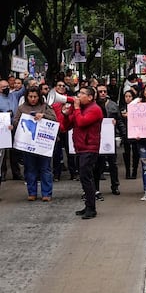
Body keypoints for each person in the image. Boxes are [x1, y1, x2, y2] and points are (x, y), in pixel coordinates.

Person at [61, 86, 103, 219]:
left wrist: (77, 108)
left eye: (82, 94)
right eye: (79, 93)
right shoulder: (81, 109)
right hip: (80, 147)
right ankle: (88, 206)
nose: (78, 96)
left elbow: (82, 122)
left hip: (89, 148)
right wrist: (66, 114)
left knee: (87, 178)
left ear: (90, 97)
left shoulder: (95, 109)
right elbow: (66, 126)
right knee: (84, 178)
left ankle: (92, 208)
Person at [13, 86, 57, 201]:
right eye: (30, 96)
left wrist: (43, 116)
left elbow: (54, 119)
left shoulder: (45, 106)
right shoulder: (22, 108)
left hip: (43, 145)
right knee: (30, 168)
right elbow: (16, 122)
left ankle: (46, 194)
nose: (33, 99)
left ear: (39, 97)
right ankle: (32, 192)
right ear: (27, 97)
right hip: (28, 145)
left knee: (45, 169)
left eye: (35, 97)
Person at [96, 83, 126, 195]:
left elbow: (119, 121)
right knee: (98, 164)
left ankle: (115, 185)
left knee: (113, 163)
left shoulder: (113, 105)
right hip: (97, 138)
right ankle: (96, 188)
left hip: (110, 138)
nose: (103, 93)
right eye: (100, 91)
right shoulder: (93, 105)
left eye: (104, 91)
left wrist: (124, 134)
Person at [119, 90, 139, 179]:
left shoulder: (137, 108)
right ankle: (127, 171)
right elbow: (119, 120)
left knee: (136, 152)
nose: (128, 98)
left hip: (135, 133)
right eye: (126, 96)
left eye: (130, 96)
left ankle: (134, 171)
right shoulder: (122, 108)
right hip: (125, 133)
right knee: (126, 152)